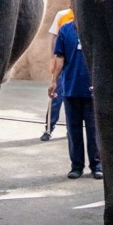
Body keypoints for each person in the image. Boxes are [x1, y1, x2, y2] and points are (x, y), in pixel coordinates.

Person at [50, 12, 101, 179]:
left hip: (93, 91)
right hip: (70, 90)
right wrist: (54, 81)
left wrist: (100, 81)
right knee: (73, 131)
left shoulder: (96, 28)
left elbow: (102, 59)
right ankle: (76, 166)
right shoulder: (65, 30)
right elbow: (59, 57)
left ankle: (97, 165)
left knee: (94, 131)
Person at [40, 9, 72, 141]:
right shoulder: (62, 15)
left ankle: (71, 131)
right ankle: (48, 129)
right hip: (61, 61)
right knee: (55, 96)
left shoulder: (86, 12)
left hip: (76, 63)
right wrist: (53, 59)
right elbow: (54, 37)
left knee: (73, 98)